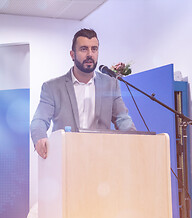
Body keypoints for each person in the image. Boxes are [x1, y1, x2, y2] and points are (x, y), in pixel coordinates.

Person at [30, 28, 136, 159]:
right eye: (84, 49)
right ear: (72, 55)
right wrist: (40, 137)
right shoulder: (52, 87)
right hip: (66, 159)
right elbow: (39, 120)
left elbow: (122, 119)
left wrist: (136, 140)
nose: (90, 54)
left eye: (94, 49)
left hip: (101, 159)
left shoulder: (110, 84)